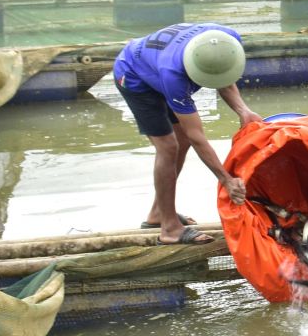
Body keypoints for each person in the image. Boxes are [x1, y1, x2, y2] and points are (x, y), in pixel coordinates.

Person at [112, 22, 261, 244]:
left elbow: (222, 75)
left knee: (181, 139)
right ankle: (169, 229)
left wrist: (244, 111)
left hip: (156, 63)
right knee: (168, 146)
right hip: (133, 75)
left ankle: (157, 214)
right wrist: (226, 180)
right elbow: (197, 136)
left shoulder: (225, 39)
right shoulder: (173, 76)